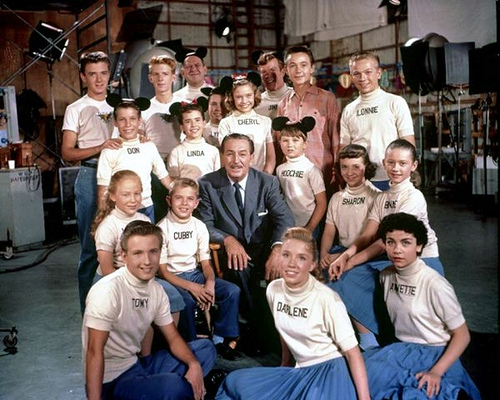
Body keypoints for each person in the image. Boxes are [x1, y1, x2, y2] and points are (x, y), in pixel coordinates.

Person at [216, 227, 370, 400]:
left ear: (312, 264)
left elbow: (353, 354)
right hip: (301, 370)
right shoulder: (274, 290)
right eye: (286, 255)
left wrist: (364, 399)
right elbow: (284, 328)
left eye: (301, 258)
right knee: (234, 381)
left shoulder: (326, 299)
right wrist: (285, 365)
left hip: (330, 371)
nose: (291, 264)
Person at [327, 139, 443, 350]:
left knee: (353, 271)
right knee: (343, 276)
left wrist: (350, 261)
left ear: (413, 166)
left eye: (402, 163)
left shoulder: (414, 197)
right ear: (384, 163)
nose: (396, 168)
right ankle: (368, 340)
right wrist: (345, 257)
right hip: (395, 258)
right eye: (391, 162)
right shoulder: (383, 198)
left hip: (422, 260)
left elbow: (385, 242)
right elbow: (368, 236)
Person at [83, 220, 215, 400]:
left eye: (153, 251)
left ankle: (174, 388)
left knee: (205, 349)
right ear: (124, 256)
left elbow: (173, 338)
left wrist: (194, 365)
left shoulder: (156, 290)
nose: (147, 261)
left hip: (135, 365)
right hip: (111, 381)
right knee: (174, 386)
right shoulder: (108, 290)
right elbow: (93, 352)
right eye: (138, 253)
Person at [363, 213, 480, 400]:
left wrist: (437, 372)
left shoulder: (435, 284)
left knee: (419, 393)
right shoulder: (386, 275)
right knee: (354, 377)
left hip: (436, 352)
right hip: (402, 350)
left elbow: (463, 335)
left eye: (406, 243)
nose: (397, 250)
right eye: (390, 242)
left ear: (419, 246)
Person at [197, 134, 294, 353]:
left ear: (251, 157)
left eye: (242, 154)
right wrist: (227, 239)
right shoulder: (207, 184)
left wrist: (278, 248)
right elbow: (204, 225)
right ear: (222, 156)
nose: (236, 160)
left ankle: (282, 333)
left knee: (283, 269)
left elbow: (285, 219)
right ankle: (254, 331)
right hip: (231, 251)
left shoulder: (267, 182)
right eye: (230, 154)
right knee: (238, 266)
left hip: (265, 248)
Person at [61, 51, 122, 313]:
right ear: (83, 77)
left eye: (103, 73)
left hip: (120, 175)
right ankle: (90, 312)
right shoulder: (75, 109)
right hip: (89, 175)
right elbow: (67, 152)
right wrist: (100, 146)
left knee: (123, 244)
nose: (99, 80)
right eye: (92, 74)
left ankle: (121, 310)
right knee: (90, 247)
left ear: (110, 75)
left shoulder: (120, 105)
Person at [157, 178, 241, 360]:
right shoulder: (162, 229)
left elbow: (206, 264)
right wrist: (193, 288)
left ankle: (219, 339)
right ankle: (190, 344)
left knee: (231, 291)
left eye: (189, 199)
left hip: (195, 274)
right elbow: (163, 272)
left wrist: (209, 283)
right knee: (186, 302)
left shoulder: (199, 226)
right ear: (169, 200)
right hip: (172, 278)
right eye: (179, 198)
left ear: (196, 203)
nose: (184, 203)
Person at [90, 170, 184, 327]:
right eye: (126, 195)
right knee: (137, 307)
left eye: (137, 194)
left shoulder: (144, 220)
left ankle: (168, 340)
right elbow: (107, 271)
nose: (133, 200)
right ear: (113, 196)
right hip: (113, 279)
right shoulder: (108, 226)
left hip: (141, 276)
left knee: (174, 298)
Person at [340, 51, 415, 190]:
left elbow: (408, 142)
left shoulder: (395, 102)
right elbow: (344, 147)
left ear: (379, 73)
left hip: (392, 178)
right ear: (351, 76)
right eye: (356, 73)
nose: (362, 78)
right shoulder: (349, 110)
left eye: (368, 72)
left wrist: (410, 173)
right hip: (360, 180)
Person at [97, 101, 172, 223]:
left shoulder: (148, 146)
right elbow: (103, 192)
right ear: (115, 122)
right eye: (122, 119)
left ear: (139, 121)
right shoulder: (109, 151)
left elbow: (166, 179)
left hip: (146, 208)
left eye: (132, 119)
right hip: (120, 211)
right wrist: (103, 219)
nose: (128, 124)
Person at [277, 45, 340, 185]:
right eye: (292, 65)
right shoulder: (283, 104)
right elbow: (280, 142)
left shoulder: (327, 98)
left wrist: (337, 171)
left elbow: (336, 138)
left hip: (323, 173)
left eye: (303, 65)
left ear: (312, 68)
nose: (298, 70)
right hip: (293, 178)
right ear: (286, 70)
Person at [319, 144, 380, 269]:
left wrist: (344, 256)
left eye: (356, 167)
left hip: (365, 255)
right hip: (340, 251)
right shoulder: (336, 198)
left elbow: (371, 238)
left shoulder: (377, 196)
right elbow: (329, 232)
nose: (349, 173)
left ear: (366, 167)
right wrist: (324, 254)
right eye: (344, 167)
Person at [141, 55, 183, 222]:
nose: (160, 78)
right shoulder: (144, 109)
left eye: (165, 74)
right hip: (155, 173)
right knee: (159, 218)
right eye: (156, 74)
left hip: (180, 167)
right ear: (150, 78)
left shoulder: (184, 105)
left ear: (173, 77)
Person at [274, 116, 326, 239]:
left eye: (295, 140)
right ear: (280, 143)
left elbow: (322, 203)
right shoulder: (280, 169)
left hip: (308, 224)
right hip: (288, 224)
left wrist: (310, 228)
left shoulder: (311, 170)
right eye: (285, 140)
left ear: (305, 144)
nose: (290, 145)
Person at [218, 73, 276, 174]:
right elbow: (225, 157)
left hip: (260, 176)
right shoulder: (226, 123)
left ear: (254, 95)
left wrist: (265, 177)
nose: (244, 101)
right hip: (235, 176)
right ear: (232, 98)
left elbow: (270, 157)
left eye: (248, 95)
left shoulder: (265, 121)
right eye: (239, 97)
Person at [167, 102, 220, 180]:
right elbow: (174, 181)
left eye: (197, 120)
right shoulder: (176, 152)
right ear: (182, 127)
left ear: (204, 123)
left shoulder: (213, 151)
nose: (193, 125)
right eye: (188, 121)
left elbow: (218, 180)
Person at [254, 51, 291, 119]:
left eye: (272, 70)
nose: (267, 75)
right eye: (263, 72)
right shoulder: (256, 104)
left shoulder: (297, 97)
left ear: (283, 71)